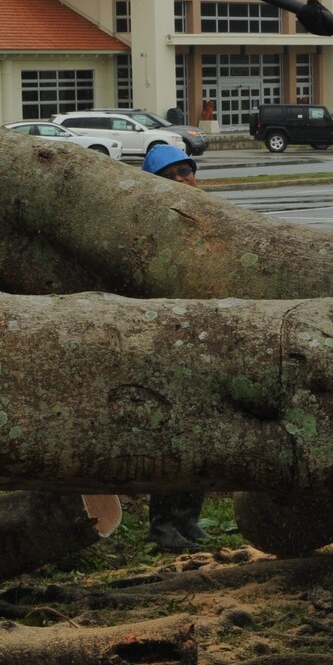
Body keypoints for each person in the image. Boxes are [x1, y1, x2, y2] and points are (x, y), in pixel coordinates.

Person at [141, 144, 206, 550]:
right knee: (171, 434)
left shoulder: (211, 214)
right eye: (175, 175)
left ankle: (189, 518)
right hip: (166, 336)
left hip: (203, 334)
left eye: (188, 172)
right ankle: (163, 524)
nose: (185, 181)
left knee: (203, 432)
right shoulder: (149, 221)